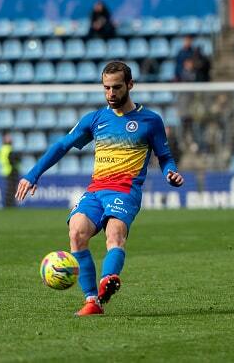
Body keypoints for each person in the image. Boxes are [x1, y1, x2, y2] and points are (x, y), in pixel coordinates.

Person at [15, 61, 184, 316]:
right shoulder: (95, 119)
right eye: (106, 88)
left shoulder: (150, 120)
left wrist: (170, 171)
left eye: (116, 87)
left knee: (115, 234)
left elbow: (165, 156)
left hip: (125, 190)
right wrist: (33, 174)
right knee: (76, 233)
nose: (111, 94)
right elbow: (62, 145)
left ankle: (109, 279)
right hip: (96, 189)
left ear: (130, 85)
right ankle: (92, 301)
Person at [0, 133, 20, 207]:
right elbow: (12, 160)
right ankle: (9, 204)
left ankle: (8, 204)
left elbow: (0, 160)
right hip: (11, 170)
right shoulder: (8, 149)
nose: (11, 139)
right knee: (11, 189)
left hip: (6, 170)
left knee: (9, 189)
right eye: (9, 138)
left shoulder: (2, 149)